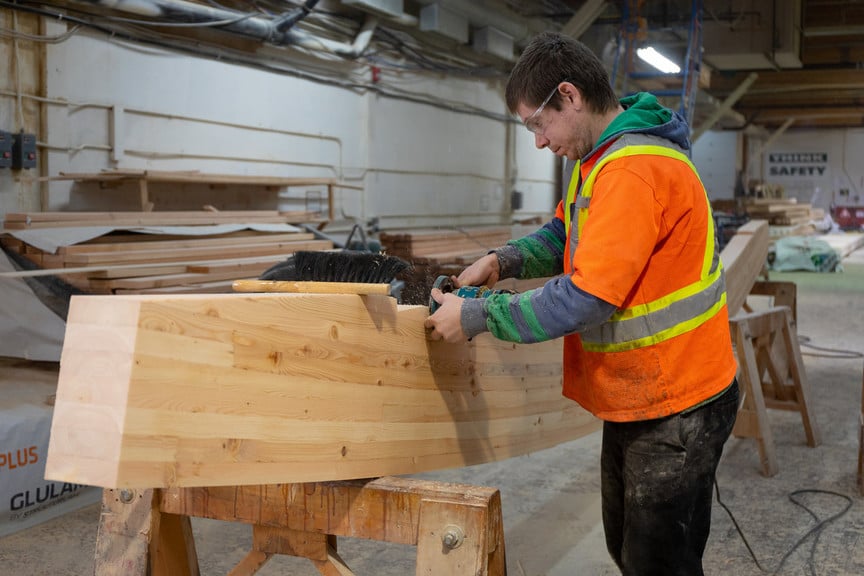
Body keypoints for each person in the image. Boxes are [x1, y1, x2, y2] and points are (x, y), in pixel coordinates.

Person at [424, 32, 739, 576]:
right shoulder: (599, 160)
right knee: (629, 549)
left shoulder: (631, 169)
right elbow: (566, 234)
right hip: (643, 393)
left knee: (657, 562)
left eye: (537, 125)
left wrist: (478, 314)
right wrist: (503, 261)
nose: (540, 143)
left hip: (679, 400)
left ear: (569, 95)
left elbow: (586, 297)